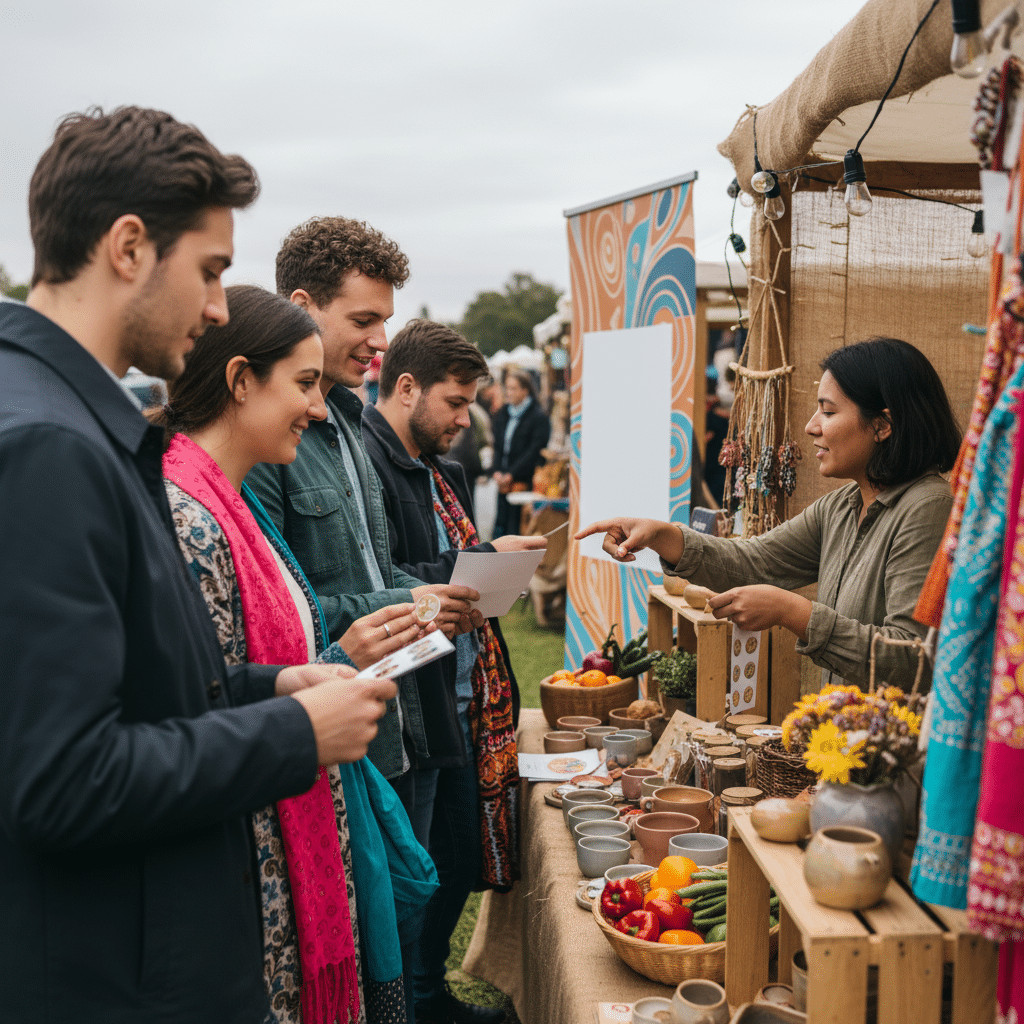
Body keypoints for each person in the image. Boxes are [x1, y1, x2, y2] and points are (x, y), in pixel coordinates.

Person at [0, 106, 396, 1024]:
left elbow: (130, 687)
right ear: (129, 247)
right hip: (119, 978)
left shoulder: (66, 417)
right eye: (211, 270)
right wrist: (293, 733)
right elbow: (61, 779)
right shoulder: (45, 445)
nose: (219, 306)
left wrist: (267, 685)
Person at [157, 285, 439, 1024]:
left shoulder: (228, 499)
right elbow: (190, 710)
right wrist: (301, 702)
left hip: (280, 829)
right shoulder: (190, 516)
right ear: (241, 381)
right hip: (247, 858)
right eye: (304, 384)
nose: (318, 408)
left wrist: (291, 676)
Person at [246, 216, 482, 796]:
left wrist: (439, 600)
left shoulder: (349, 420)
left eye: (384, 322)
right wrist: (414, 602)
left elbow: (375, 568)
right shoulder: (266, 438)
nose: (380, 341)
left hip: (392, 720)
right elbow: (274, 618)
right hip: (326, 740)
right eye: (363, 320)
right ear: (302, 307)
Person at [577, 337, 962, 689]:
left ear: (882, 425)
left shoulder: (927, 509)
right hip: (841, 732)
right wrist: (662, 535)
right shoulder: (841, 506)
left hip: (893, 739)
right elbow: (753, 562)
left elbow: (912, 659)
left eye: (828, 412)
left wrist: (792, 611)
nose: (811, 426)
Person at [362, 320, 546, 1024]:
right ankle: (414, 1000)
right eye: (455, 402)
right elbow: (380, 583)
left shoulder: (447, 471)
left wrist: (493, 575)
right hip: (413, 700)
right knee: (420, 869)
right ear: (407, 387)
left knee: (459, 857)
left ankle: (426, 991)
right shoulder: (368, 466)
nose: (466, 420)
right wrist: (482, 564)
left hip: (464, 692)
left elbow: (450, 576)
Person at [490, 370, 550, 537]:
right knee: (501, 525)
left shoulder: (538, 416)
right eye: (507, 388)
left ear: (525, 390)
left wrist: (512, 473)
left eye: (514, 388)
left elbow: (534, 450)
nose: (509, 392)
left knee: (517, 527)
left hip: (524, 480)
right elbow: (498, 445)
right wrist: (496, 470)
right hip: (503, 479)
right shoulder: (503, 413)